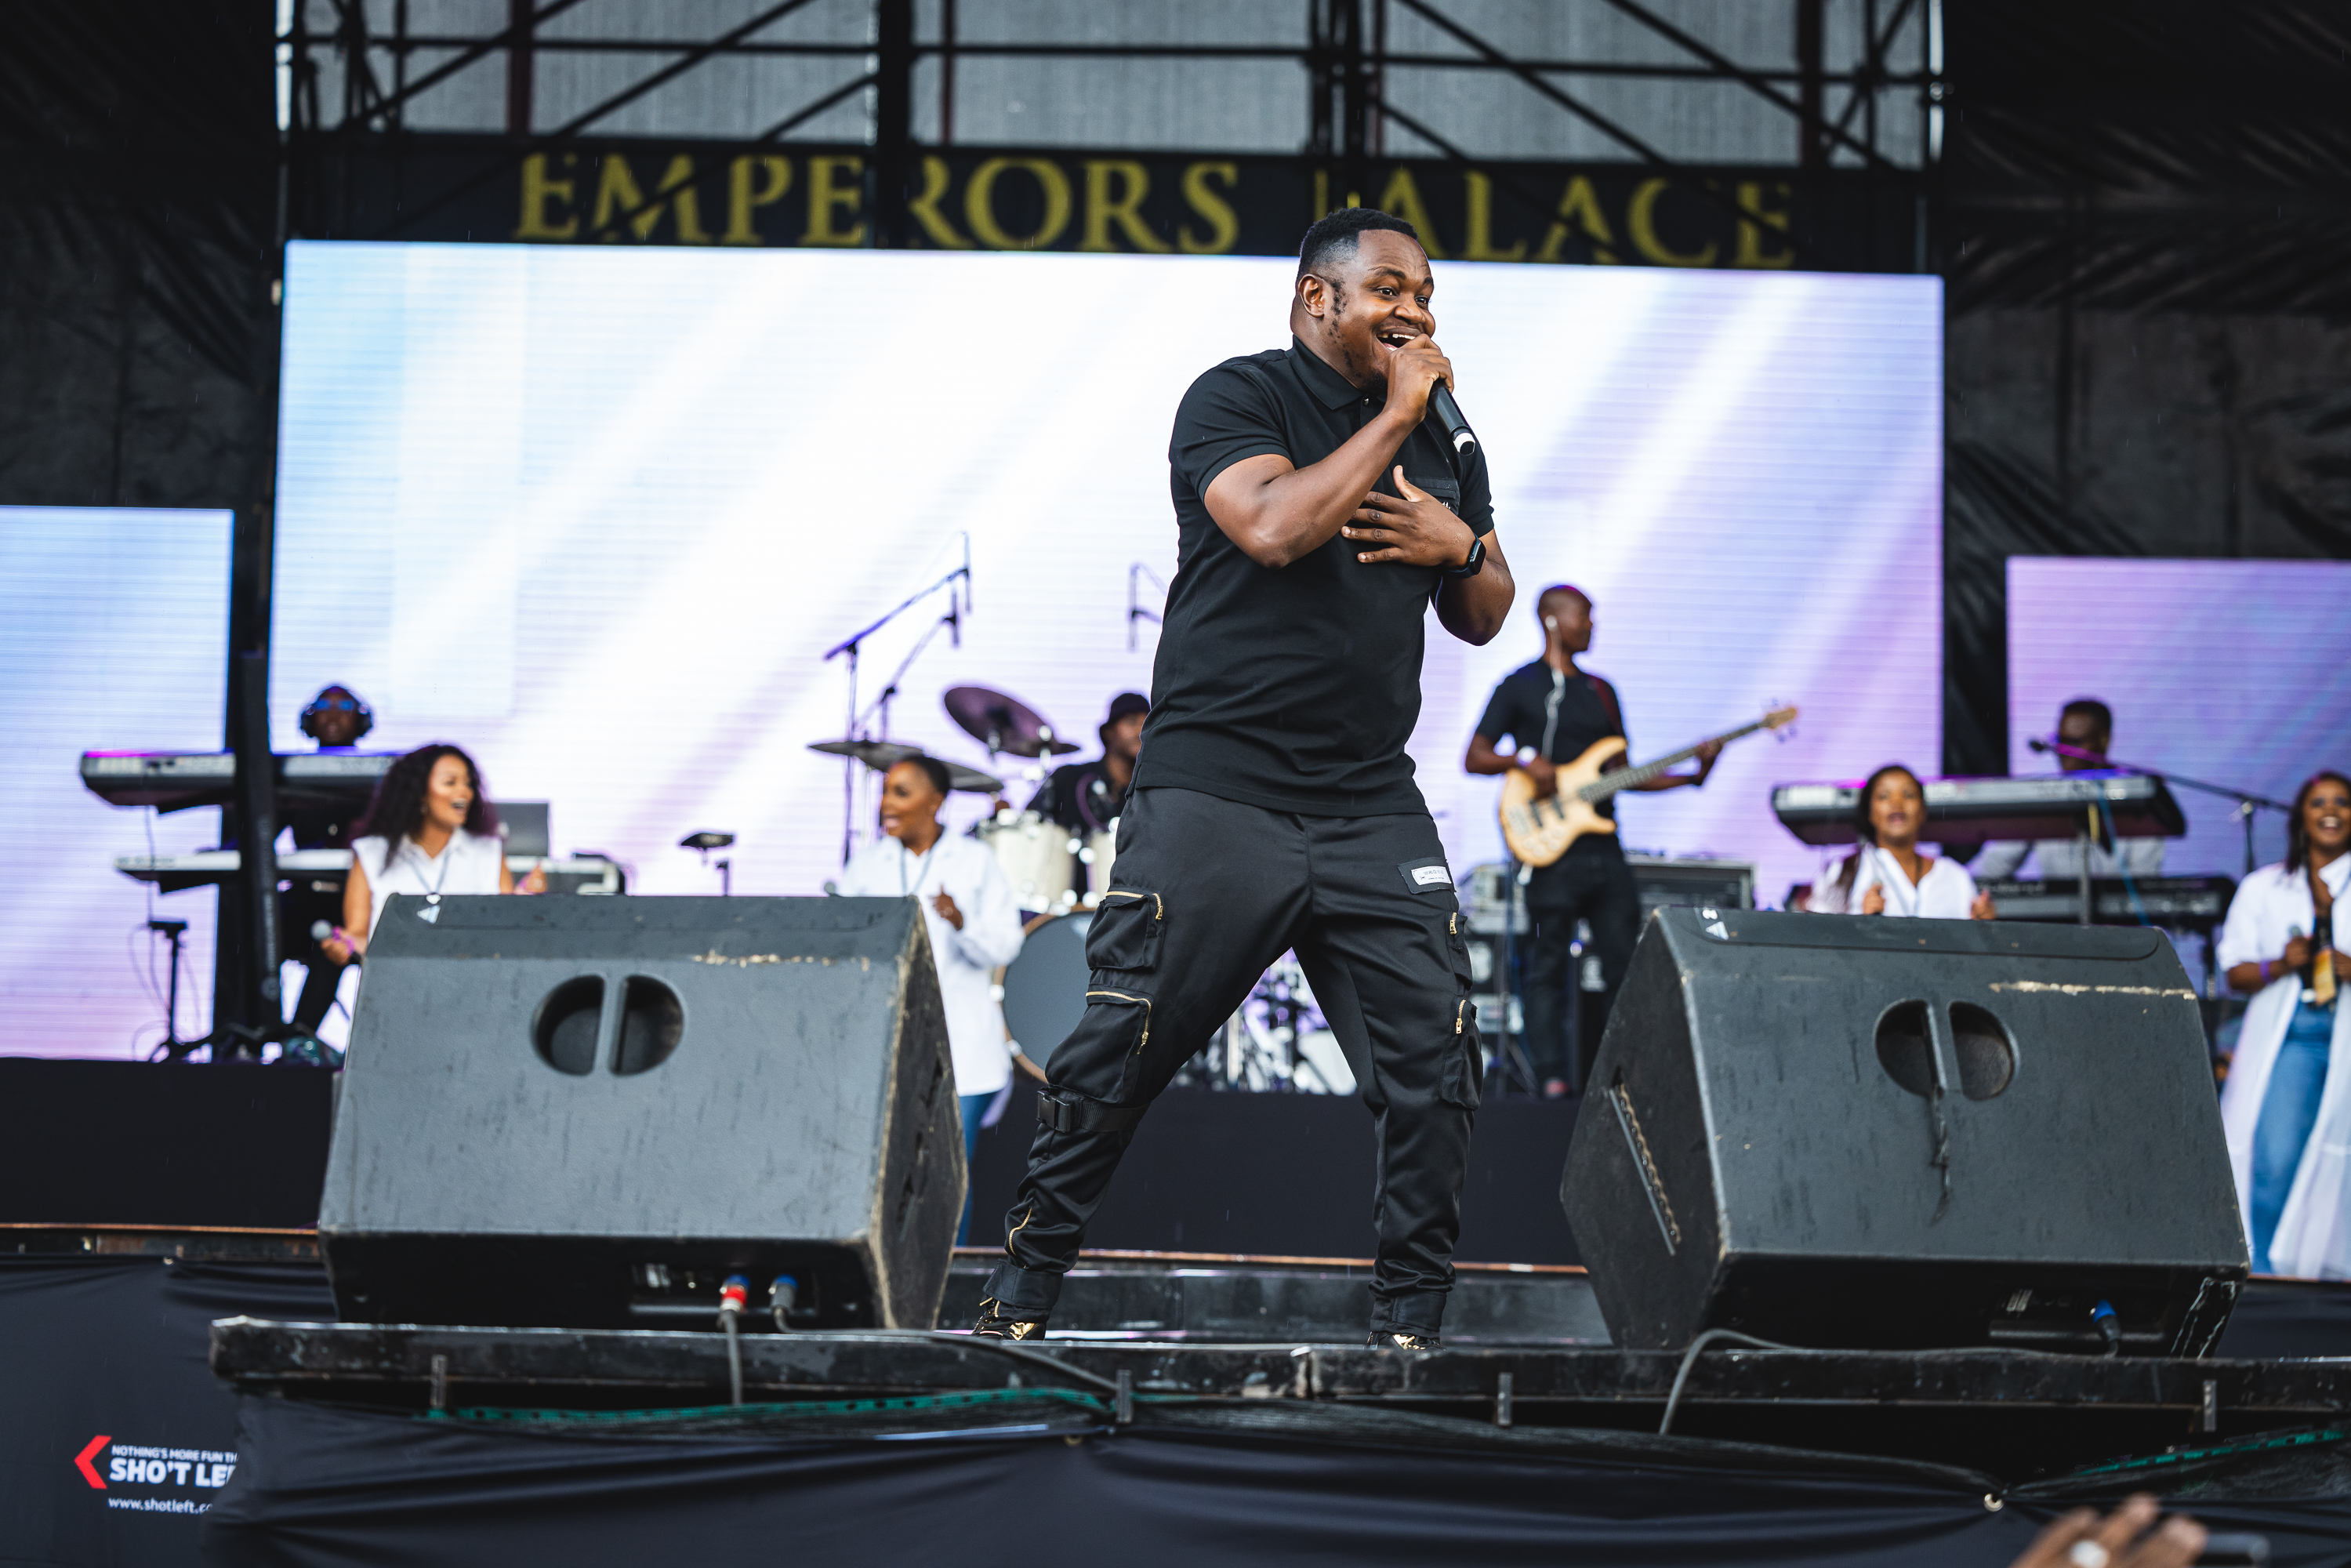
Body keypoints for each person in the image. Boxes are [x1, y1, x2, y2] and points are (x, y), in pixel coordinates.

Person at [974, 206, 1515, 1349]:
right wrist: (1398, 415)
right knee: (1118, 1052)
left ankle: (1408, 1334)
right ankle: (1016, 1299)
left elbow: (1482, 609)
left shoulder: (1445, 439)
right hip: (1217, 790)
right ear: (1318, 297)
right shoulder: (1238, 396)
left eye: (1424, 293)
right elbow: (1271, 526)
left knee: (1434, 1060)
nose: (1414, 311)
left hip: (1369, 802)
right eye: (1388, 289)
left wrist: (1457, 544)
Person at [1464, 585, 1718, 1098]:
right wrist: (1522, 761)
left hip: (1603, 848)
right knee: (1547, 965)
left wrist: (1693, 775)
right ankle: (1552, 1079)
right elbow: (1475, 756)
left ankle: (1624, 1077)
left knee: (1626, 963)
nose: (1591, 626)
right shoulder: (1519, 686)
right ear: (1552, 621)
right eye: (1583, 616)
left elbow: (1624, 773)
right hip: (1549, 849)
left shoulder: (1601, 691)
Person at [836, 755, 1026, 1245]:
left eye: (901, 793)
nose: (886, 804)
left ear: (935, 801)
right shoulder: (867, 867)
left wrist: (962, 923)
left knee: (945, 1175)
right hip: (884, 1047)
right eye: (885, 792)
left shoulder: (974, 861)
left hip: (962, 1050)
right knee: (886, 1173)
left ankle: (946, 1281)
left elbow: (1007, 946)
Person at [2215, 770, 2351, 1277]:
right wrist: (2279, 964)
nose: (2331, 811)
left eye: (2341, 802)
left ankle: (2332, 1273)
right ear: (2300, 818)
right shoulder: (2264, 887)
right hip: (2294, 1036)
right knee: (2275, 1156)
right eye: (2318, 803)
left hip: (2346, 1032)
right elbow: (2235, 972)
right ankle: (2271, 1270)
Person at [321, 744, 544, 967]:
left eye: (468, 784)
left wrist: (524, 906)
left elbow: (503, 933)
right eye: (450, 782)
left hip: (472, 977)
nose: (465, 792)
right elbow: (360, 935)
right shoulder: (371, 853)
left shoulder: (488, 851)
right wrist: (346, 944)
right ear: (419, 793)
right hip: (396, 979)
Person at [1972, 699, 2167, 882]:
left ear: (2104, 740)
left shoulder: (2138, 797)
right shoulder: (2042, 797)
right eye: (2060, 741)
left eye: (2074, 743)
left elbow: (2146, 884)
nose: (2063, 752)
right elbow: (1992, 865)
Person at [282, 685, 376, 1044]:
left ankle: (297, 1040)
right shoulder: (292, 778)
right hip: (304, 898)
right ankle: (251, 1037)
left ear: (360, 720)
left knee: (334, 943)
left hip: (351, 902)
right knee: (252, 928)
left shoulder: (376, 782)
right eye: (324, 705)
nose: (334, 714)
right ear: (311, 719)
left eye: (344, 706)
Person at [1807, 764, 1997, 920]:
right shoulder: (1840, 872)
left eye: (1908, 795)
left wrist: (1984, 927)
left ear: (1922, 811)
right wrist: (1862, 925)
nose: (1897, 804)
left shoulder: (1955, 877)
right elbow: (1820, 941)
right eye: (1884, 796)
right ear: (1869, 813)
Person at [1027, 691, 1148, 836]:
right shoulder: (1068, 778)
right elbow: (1030, 825)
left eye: (1147, 725)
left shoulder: (1153, 791)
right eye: (1132, 722)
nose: (1141, 731)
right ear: (1109, 731)